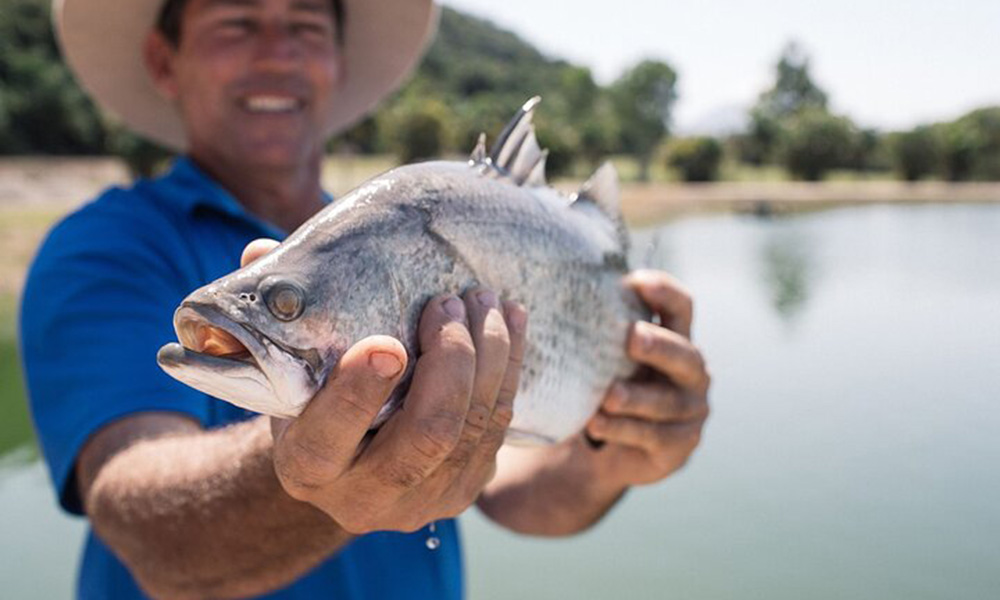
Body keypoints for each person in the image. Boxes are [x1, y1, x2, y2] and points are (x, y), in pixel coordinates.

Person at [20, 0, 711, 597]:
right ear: (164, 59)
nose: (278, 53)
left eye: (307, 24)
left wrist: (614, 454)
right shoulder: (103, 248)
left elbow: (513, 490)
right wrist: (305, 467)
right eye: (236, 21)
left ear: (339, 62)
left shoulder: (374, 232)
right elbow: (142, 524)